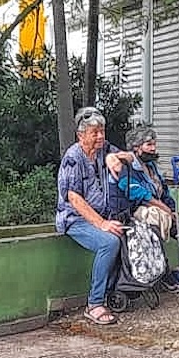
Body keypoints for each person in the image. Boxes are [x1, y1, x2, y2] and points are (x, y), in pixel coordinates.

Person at [56, 107, 135, 326]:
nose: (100, 136)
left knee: (128, 233)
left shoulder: (104, 149)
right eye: (95, 132)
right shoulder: (73, 158)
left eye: (102, 131)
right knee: (109, 242)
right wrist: (101, 224)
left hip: (104, 215)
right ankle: (95, 303)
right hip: (75, 219)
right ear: (81, 135)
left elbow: (130, 157)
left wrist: (114, 156)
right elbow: (74, 198)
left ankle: (116, 290)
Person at [116, 125, 179, 241]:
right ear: (136, 147)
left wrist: (172, 209)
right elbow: (139, 195)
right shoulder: (128, 168)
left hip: (161, 212)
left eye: (154, 144)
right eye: (149, 145)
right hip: (137, 215)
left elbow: (164, 190)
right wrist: (166, 209)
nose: (153, 148)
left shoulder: (151, 166)